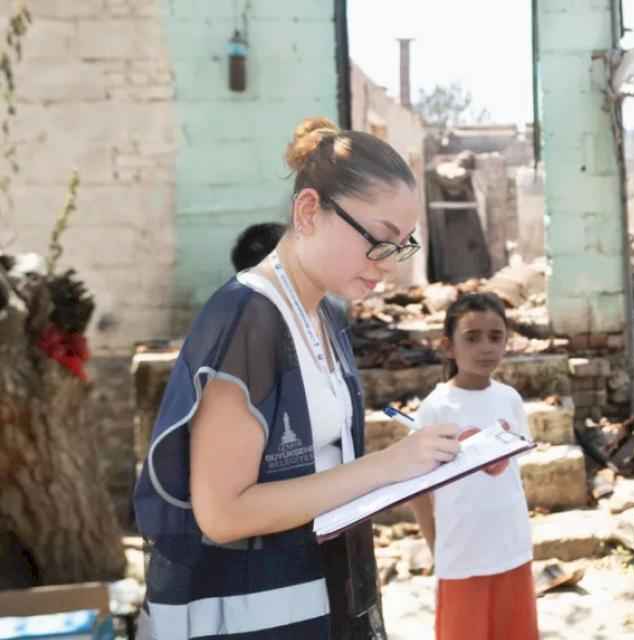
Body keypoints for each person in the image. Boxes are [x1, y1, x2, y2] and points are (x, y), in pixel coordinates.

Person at [133, 116, 459, 639]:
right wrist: (388, 465)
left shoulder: (323, 313)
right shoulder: (248, 318)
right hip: (253, 616)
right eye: (379, 239)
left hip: (320, 595)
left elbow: (328, 471)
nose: (388, 264)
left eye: (402, 246)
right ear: (308, 211)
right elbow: (223, 512)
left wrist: (426, 464)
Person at [408, 292, 538, 640]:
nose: (485, 348)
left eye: (496, 337)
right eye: (472, 337)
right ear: (448, 346)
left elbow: (512, 475)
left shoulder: (509, 399)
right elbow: (417, 488)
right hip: (461, 552)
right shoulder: (436, 408)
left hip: (512, 547)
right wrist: (436, 544)